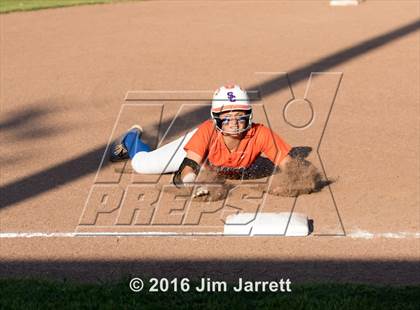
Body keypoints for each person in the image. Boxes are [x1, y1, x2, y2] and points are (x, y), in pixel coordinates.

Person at [109, 84, 292, 187]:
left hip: (213, 163)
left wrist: (296, 178)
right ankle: (132, 138)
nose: (234, 123)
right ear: (216, 118)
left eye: (240, 116)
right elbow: (185, 171)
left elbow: (289, 165)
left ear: (249, 116)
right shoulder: (208, 130)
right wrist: (194, 184)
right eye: (227, 117)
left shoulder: (260, 134)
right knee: (142, 165)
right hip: (198, 154)